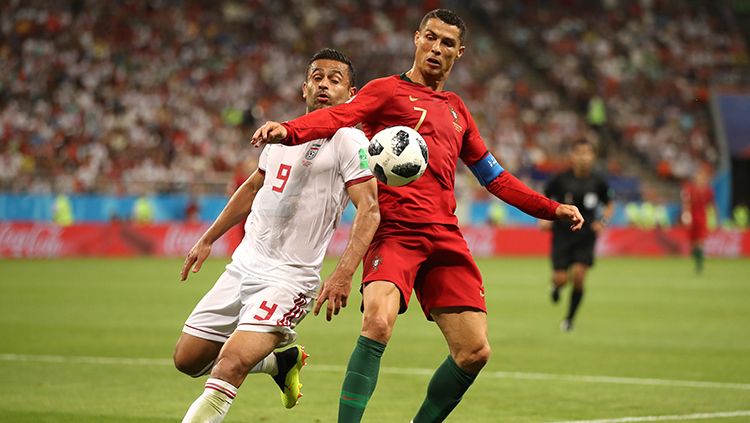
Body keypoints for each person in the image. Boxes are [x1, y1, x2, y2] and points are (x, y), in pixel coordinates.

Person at [251, 9, 583, 423]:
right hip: (394, 232)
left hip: (444, 237)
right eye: (431, 37)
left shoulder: (458, 110)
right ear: (416, 39)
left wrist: (551, 208)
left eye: (447, 43)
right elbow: (339, 116)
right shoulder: (385, 91)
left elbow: (495, 178)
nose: (436, 48)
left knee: (474, 351)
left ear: (458, 53)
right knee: (377, 321)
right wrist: (290, 128)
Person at [175, 48, 380, 422]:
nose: (324, 85)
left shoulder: (350, 141)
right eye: (317, 77)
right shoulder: (280, 136)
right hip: (243, 268)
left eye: (335, 80)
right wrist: (208, 238)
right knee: (187, 360)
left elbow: (369, 209)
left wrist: (344, 273)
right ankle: (279, 364)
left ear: (351, 95)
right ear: (304, 88)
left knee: (230, 364)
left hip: (289, 280)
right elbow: (253, 188)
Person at [541, 139, 613, 332]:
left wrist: (602, 222)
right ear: (572, 156)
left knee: (579, 276)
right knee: (561, 279)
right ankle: (556, 287)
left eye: (587, 153)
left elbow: (609, 203)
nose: (583, 157)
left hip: (586, 235)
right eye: (579, 152)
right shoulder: (561, 179)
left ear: (593, 156)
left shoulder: (598, 181)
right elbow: (545, 196)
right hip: (562, 234)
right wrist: (544, 218)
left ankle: (569, 319)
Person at [681, 166, 715, 274]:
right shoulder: (689, 189)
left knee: (700, 240)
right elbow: (686, 202)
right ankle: (697, 259)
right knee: (693, 242)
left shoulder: (708, 191)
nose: (701, 178)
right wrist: (686, 214)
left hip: (702, 217)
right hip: (692, 217)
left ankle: (699, 265)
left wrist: (713, 217)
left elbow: (711, 205)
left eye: (703, 177)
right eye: (699, 176)